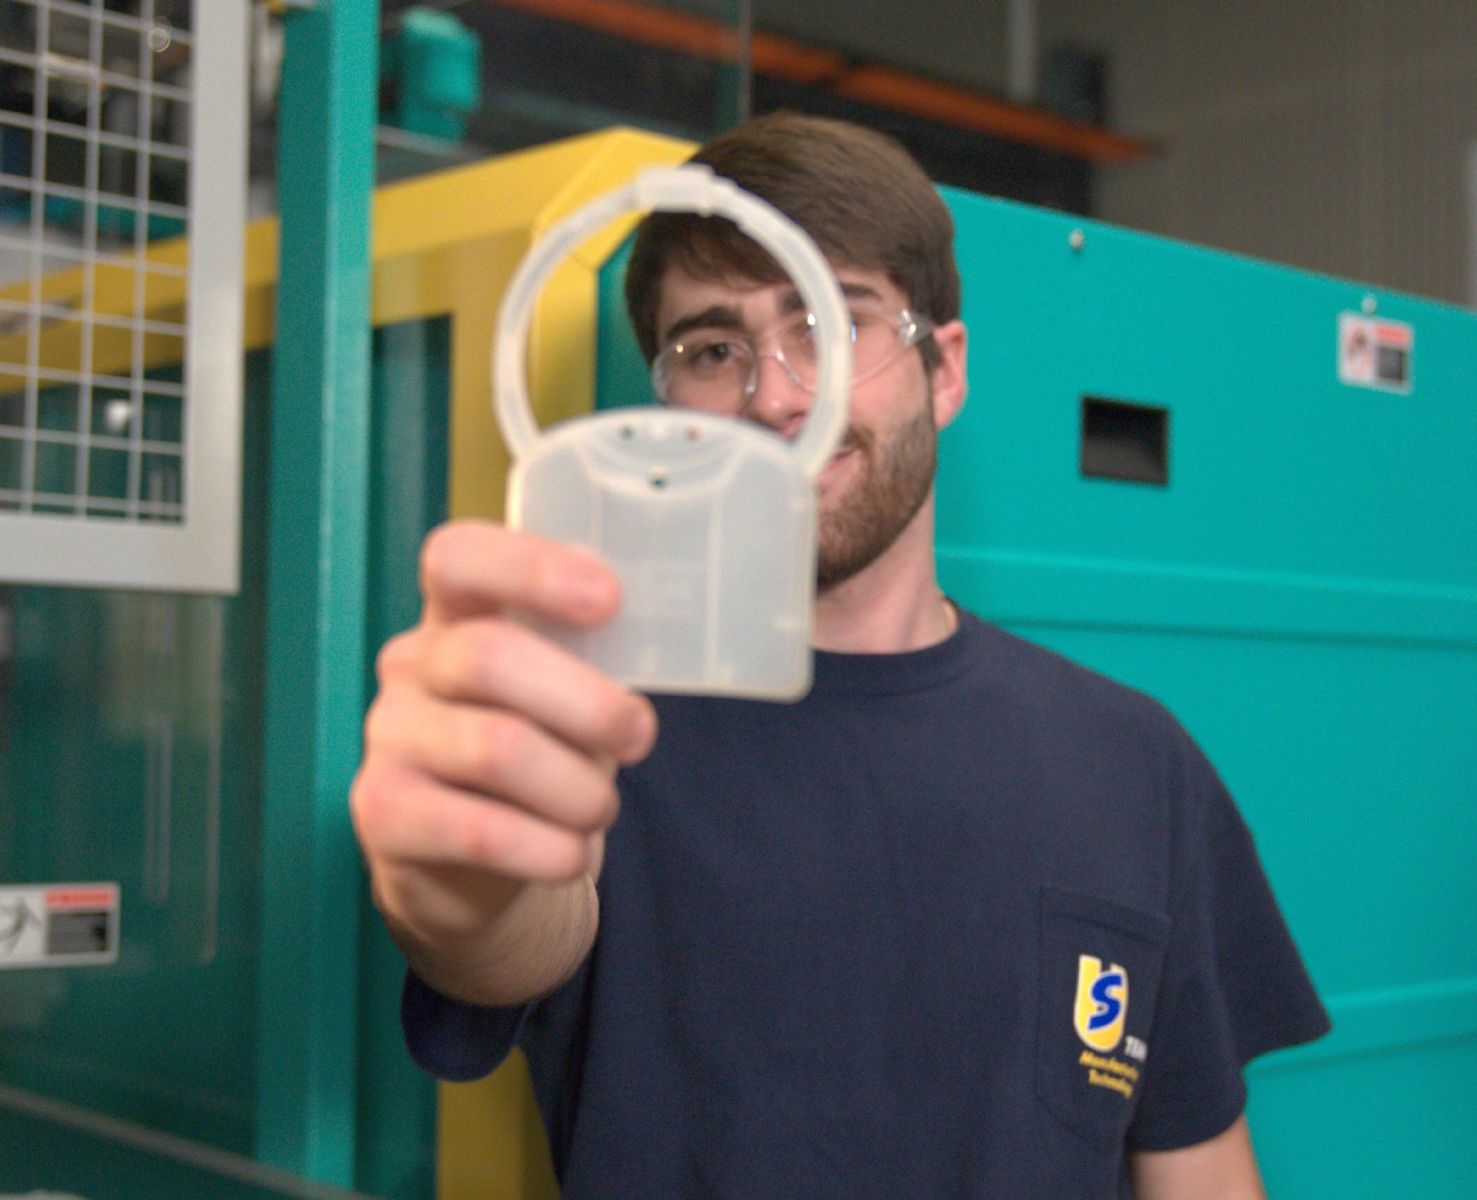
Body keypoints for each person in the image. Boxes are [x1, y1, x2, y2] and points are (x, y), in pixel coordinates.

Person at [351, 112, 1329, 1198]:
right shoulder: (589, 728)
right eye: (714, 348)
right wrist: (462, 882)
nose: (775, 395)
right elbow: (510, 932)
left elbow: (1197, 1168)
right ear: (669, 403)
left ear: (943, 371)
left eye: (830, 322)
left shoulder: (1134, 762)